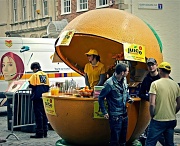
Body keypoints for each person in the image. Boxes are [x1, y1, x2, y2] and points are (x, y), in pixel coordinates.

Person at [145, 62, 180, 146]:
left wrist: (153, 115)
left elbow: (152, 104)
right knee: (169, 143)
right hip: (171, 120)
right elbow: (179, 104)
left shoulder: (155, 84)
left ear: (159, 70)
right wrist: (173, 112)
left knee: (150, 143)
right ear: (169, 72)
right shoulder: (176, 85)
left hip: (158, 120)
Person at [98, 63, 133, 146]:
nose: (128, 72)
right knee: (115, 141)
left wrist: (128, 98)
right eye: (127, 71)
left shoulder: (124, 80)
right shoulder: (109, 84)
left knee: (123, 140)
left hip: (124, 114)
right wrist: (104, 111)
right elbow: (100, 98)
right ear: (122, 72)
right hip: (115, 116)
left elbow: (125, 91)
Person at [138, 58, 166, 145]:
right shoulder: (146, 79)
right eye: (149, 65)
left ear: (156, 65)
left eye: (152, 64)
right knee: (153, 132)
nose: (151, 67)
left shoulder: (162, 77)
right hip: (152, 108)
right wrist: (149, 98)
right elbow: (141, 93)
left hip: (164, 108)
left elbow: (172, 88)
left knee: (161, 131)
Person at [28, 62, 50, 138]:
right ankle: (45, 131)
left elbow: (31, 85)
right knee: (44, 114)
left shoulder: (35, 75)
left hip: (37, 97)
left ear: (34, 68)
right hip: (44, 96)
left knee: (38, 115)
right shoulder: (45, 75)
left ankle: (39, 132)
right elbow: (48, 85)